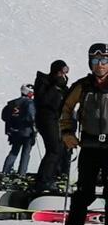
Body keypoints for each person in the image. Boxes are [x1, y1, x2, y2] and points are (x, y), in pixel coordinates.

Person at [61, 44, 108, 225]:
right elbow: (66, 109)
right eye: (96, 61)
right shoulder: (83, 85)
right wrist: (67, 133)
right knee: (84, 191)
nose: (100, 66)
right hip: (89, 145)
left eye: (104, 61)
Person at [33, 59, 69, 192]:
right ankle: (43, 181)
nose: (63, 75)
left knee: (59, 148)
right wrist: (56, 87)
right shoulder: (44, 82)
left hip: (55, 120)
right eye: (61, 71)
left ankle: (51, 176)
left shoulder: (60, 85)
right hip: (45, 118)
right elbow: (43, 100)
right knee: (54, 149)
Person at [0, 84, 36, 176]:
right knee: (26, 153)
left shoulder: (12, 103)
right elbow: (32, 117)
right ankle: (22, 174)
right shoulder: (30, 103)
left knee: (14, 151)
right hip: (27, 132)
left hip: (13, 131)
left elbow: (4, 116)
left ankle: (5, 172)